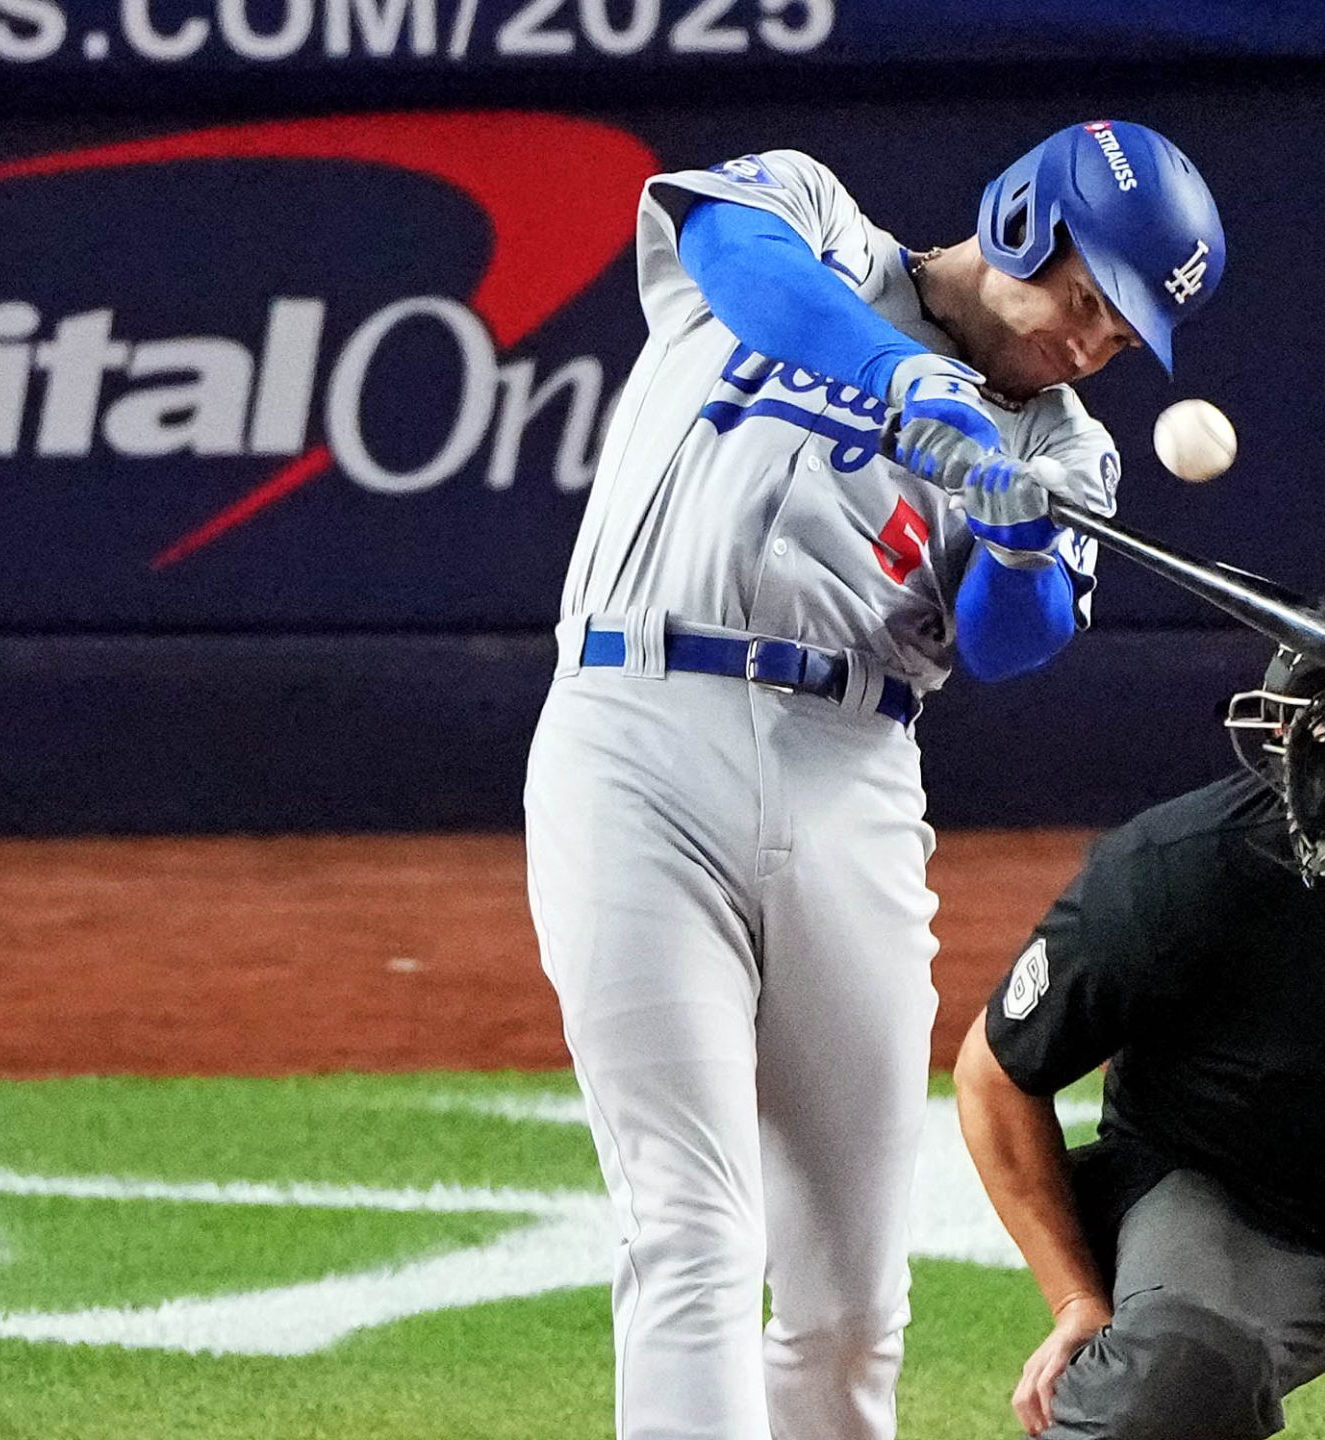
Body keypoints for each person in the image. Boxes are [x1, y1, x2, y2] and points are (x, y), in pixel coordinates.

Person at [522, 122, 1225, 1440]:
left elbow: (1012, 647)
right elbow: (736, 258)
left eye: (1120, 340)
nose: (1089, 347)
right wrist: (913, 386)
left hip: (848, 773)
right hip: (632, 734)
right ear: (1026, 221)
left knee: (850, 1296)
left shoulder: (1069, 456)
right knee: (694, 1230)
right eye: (1088, 302)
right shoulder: (818, 224)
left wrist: (1015, 543)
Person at [953, 567, 1325, 1440]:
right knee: (1156, 1395)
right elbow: (996, 1075)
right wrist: (1078, 1301)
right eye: (1316, 731)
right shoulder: (1182, 862)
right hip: (1240, 1219)